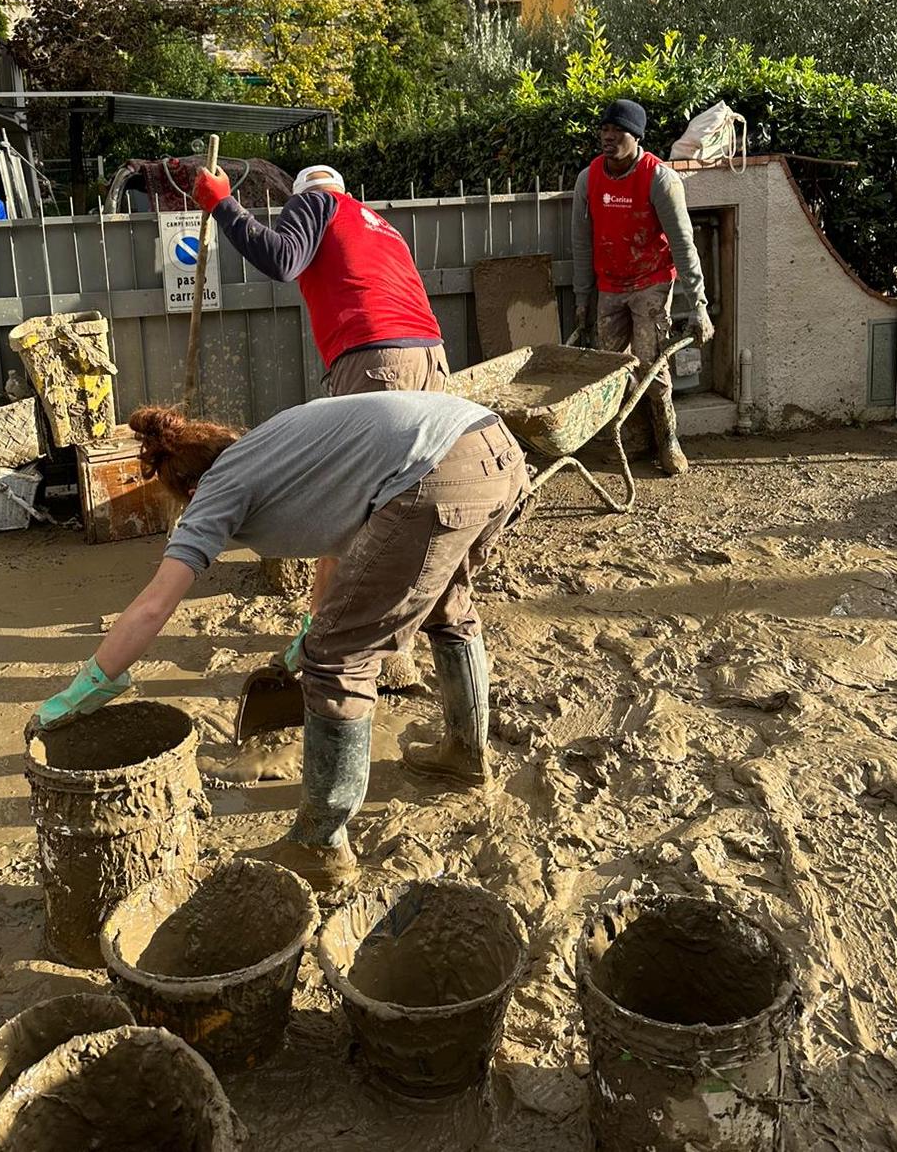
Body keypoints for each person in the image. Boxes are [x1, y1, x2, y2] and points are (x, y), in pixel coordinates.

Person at [35, 391, 530, 890]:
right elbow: (349, 535)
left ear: (188, 488)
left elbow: (154, 606)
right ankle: (465, 758)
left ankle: (320, 845)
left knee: (340, 659)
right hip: (493, 447)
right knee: (448, 611)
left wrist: (88, 685)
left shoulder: (218, 487)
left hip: (433, 473)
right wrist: (316, 622)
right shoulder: (272, 444)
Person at [193, 161, 448, 683]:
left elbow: (283, 259)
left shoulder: (316, 202)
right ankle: (393, 636)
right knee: (409, 504)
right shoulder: (377, 223)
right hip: (430, 359)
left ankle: (337, 640)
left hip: (377, 360)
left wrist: (222, 203)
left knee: (354, 509)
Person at [571, 99, 714, 476]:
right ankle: (631, 439)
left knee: (652, 363)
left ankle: (668, 439)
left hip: (650, 282)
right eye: (604, 129)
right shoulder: (589, 179)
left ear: (637, 136)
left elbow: (683, 244)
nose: (608, 136)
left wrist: (699, 304)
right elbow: (582, 243)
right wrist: (583, 299)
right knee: (611, 367)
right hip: (609, 285)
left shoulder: (659, 179)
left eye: (617, 130)